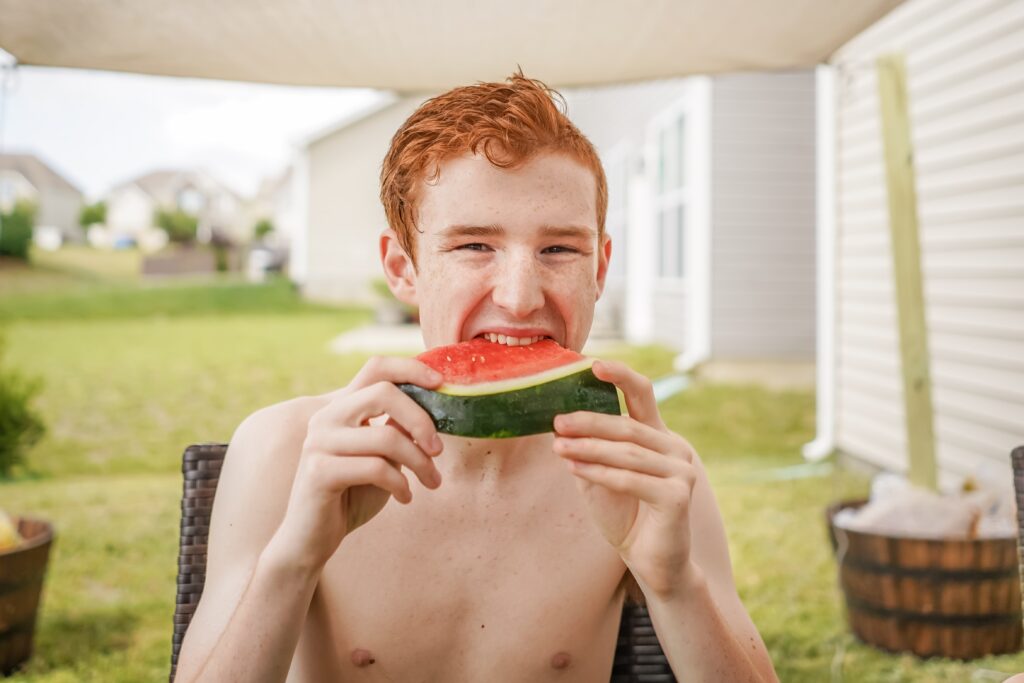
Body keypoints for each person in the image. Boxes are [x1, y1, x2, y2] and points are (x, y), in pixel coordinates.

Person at [175, 72, 779, 683]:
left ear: (599, 269)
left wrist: (676, 587)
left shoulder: (648, 471)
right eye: (473, 246)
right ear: (401, 267)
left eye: (560, 250)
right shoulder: (285, 451)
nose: (519, 298)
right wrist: (292, 560)